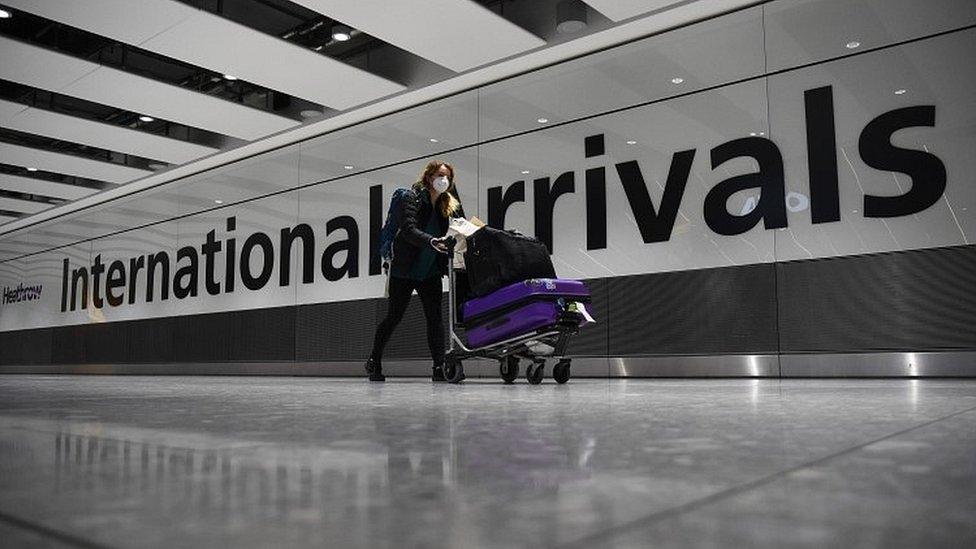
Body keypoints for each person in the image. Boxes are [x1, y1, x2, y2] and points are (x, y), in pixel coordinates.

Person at [365, 160, 465, 382]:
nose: (444, 180)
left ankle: (439, 367)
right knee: (394, 316)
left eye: (448, 177)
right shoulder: (410, 198)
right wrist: (432, 242)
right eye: (440, 175)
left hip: (429, 270)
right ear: (429, 177)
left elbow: (456, 229)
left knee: (435, 319)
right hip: (405, 268)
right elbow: (408, 230)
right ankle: (374, 360)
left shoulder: (446, 205)